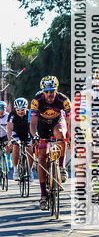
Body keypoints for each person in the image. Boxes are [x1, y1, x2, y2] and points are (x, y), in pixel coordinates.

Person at [30, 76, 71, 210]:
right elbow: (33, 123)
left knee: (60, 133)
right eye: (46, 91)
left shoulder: (63, 100)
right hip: (41, 127)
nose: (49, 94)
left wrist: (71, 136)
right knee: (42, 155)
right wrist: (35, 135)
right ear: (43, 91)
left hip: (57, 122)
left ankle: (61, 166)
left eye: (52, 91)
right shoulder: (37, 101)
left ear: (56, 90)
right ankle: (43, 194)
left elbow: (70, 121)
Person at [7, 98, 34, 178]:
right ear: (15, 109)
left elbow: (34, 126)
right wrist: (9, 141)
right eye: (18, 110)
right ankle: (15, 170)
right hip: (16, 133)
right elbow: (9, 128)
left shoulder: (30, 113)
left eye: (22, 109)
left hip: (28, 133)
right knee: (15, 146)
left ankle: (30, 170)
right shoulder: (12, 114)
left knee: (30, 149)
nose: (20, 112)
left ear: (26, 108)